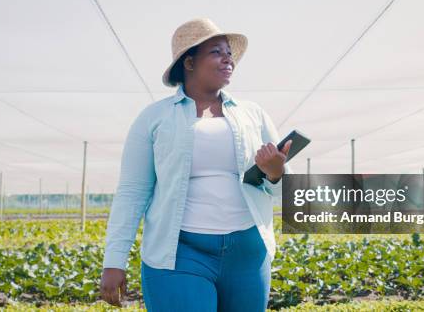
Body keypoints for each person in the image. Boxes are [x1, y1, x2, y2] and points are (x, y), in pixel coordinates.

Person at [100, 18, 293, 312]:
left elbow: (281, 189)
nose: (228, 58)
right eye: (216, 52)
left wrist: (276, 173)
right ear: (188, 63)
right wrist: (115, 260)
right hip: (179, 253)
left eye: (229, 52)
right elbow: (132, 191)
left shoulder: (253, 114)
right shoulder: (154, 118)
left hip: (248, 254)